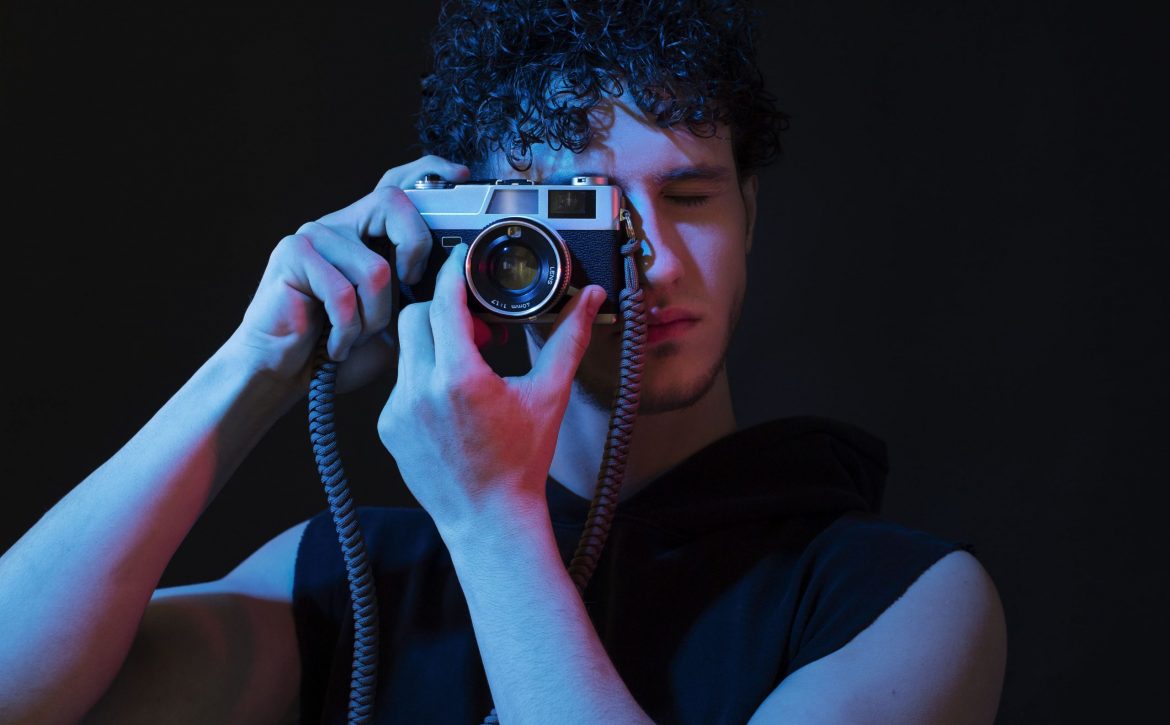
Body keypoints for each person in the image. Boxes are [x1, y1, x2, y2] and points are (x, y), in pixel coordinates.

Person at [0, 0, 1006, 723]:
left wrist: (494, 523)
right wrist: (255, 367)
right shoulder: (358, 579)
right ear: (479, 237)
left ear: (751, 213)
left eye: (690, 197)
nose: (647, 252)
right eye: (582, 209)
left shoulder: (897, 598)